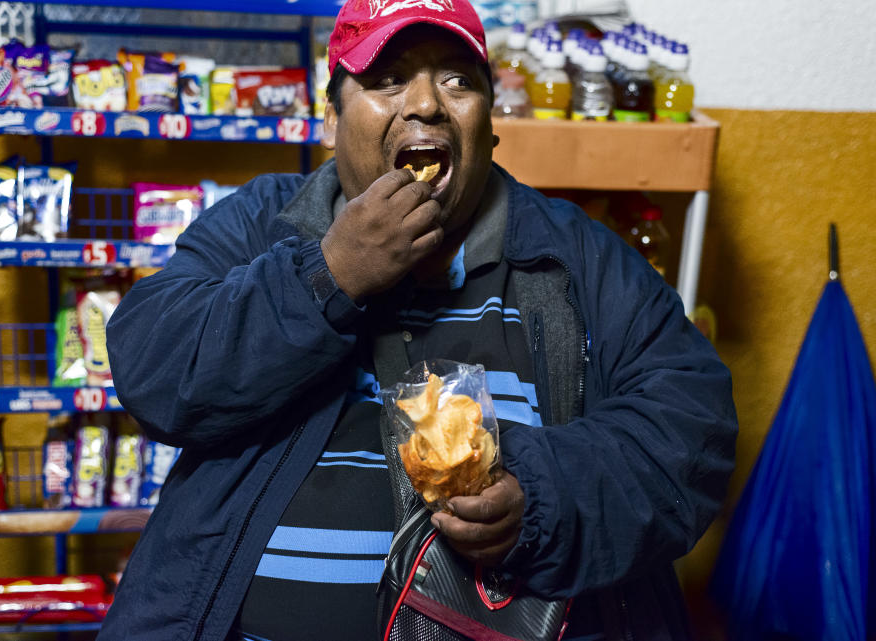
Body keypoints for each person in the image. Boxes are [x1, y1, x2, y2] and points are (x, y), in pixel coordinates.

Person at [99, 0, 738, 638]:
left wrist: (538, 503)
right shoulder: (260, 225)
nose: (427, 104)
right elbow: (155, 371)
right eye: (387, 80)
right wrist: (331, 276)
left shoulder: (576, 256)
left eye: (460, 80)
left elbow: (689, 429)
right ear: (330, 119)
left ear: (491, 124)